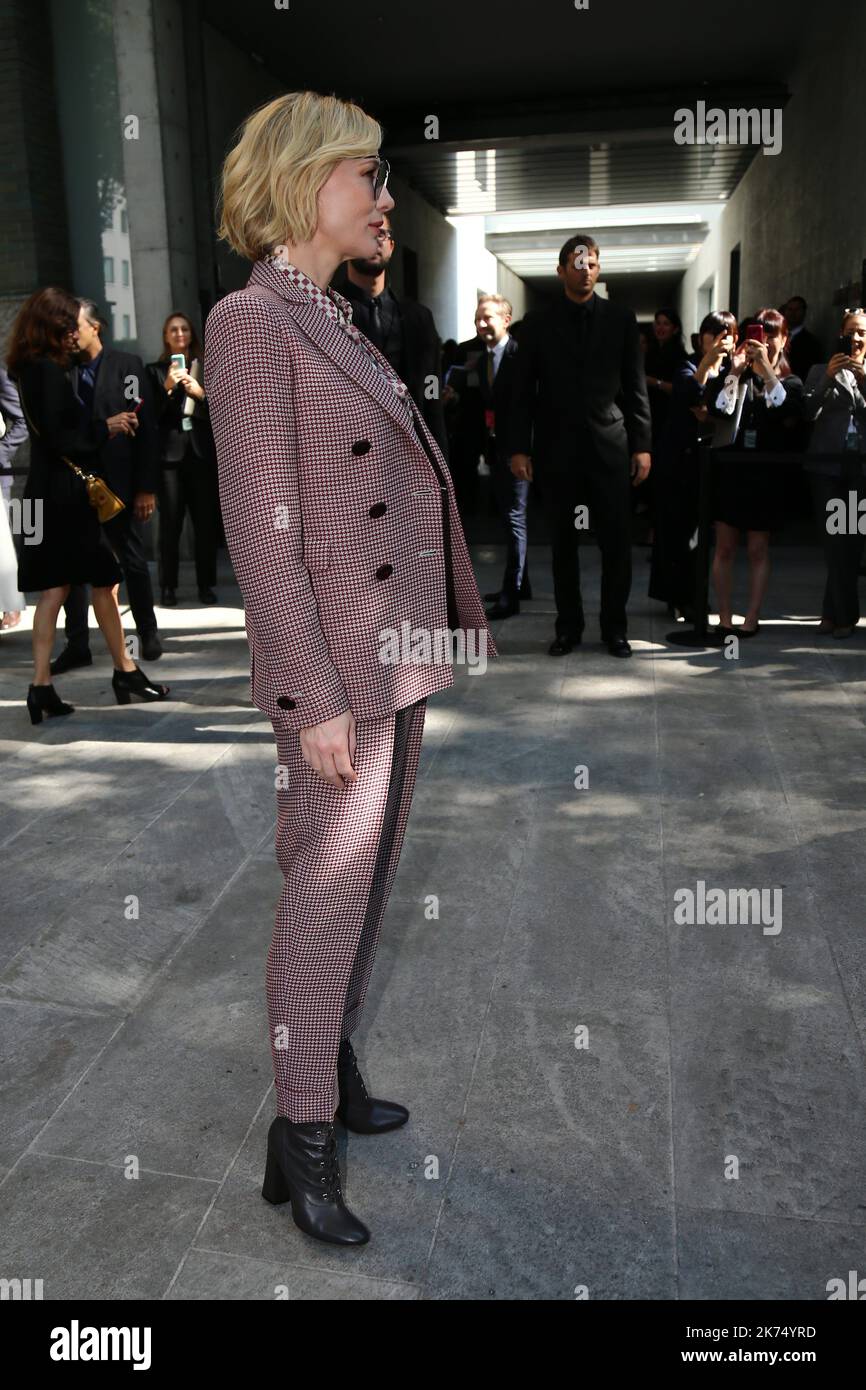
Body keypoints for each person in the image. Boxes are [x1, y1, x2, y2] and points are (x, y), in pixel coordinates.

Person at [205, 90, 495, 1248]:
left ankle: (327, 1065)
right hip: (336, 669)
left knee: (365, 891)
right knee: (321, 901)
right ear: (302, 180)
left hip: (398, 652)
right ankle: (302, 1137)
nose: (384, 199)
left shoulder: (332, 313)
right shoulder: (249, 320)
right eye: (367, 176)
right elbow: (260, 532)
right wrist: (307, 696)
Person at [5, 287, 169, 722]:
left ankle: (58, 683)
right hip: (64, 496)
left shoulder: (29, 369)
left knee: (67, 586)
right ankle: (120, 672)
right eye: (66, 325)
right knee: (97, 578)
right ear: (53, 326)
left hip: (50, 493)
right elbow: (64, 440)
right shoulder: (49, 371)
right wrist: (106, 427)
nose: (71, 334)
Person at [506, 232, 652, 657]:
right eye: (576, 261)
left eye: (591, 262)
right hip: (557, 450)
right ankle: (568, 627)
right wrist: (518, 447)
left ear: (598, 269)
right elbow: (521, 392)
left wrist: (643, 444)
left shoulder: (622, 320)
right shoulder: (536, 324)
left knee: (616, 544)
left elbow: (635, 386)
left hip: (610, 447)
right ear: (561, 270)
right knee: (564, 544)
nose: (584, 268)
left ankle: (615, 629)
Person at [51, 298, 163, 674]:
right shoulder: (60, 373)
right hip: (74, 486)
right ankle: (77, 642)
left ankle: (147, 631)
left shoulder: (126, 367)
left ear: (94, 327)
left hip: (119, 484)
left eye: (74, 327)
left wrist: (146, 487)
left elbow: (146, 432)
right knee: (75, 566)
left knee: (131, 559)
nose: (69, 335)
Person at [705, 307, 804, 637]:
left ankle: (751, 616)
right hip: (731, 472)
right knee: (725, 548)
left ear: (784, 339)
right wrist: (734, 373)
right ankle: (723, 616)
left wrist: (767, 372)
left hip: (765, 474)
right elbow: (719, 411)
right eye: (758, 336)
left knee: (758, 549)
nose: (764, 342)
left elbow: (789, 409)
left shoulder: (789, 381)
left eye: (772, 335)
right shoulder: (738, 374)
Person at [648, 311, 736, 621]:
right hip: (677, 461)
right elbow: (685, 393)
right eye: (714, 333)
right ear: (702, 337)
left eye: (727, 334)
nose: (719, 340)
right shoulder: (686, 364)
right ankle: (676, 596)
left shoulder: (732, 370)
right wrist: (706, 363)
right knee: (675, 531)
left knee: (701, 537)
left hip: (710, 464)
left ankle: (695, 595)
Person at [337, 211, 448, 456]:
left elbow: (431, 387)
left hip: (407, 451)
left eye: (382, 234)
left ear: (391, 245)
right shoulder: (326, 310)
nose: (375, 239)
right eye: (366, 232)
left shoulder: (419, 318)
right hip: (348, 455)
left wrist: (439, 459)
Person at [447, 295, 529, 621]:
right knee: (508, 518)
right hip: (495, 450)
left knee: (515, 519)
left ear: (506, 319)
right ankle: (521, 584)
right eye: (477, 318)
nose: (481, 324)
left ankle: (512, 594)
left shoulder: (520, 355)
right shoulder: (480, 359)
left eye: (488, 318)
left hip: (519, 450)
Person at [146, 314, 219, 606]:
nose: (179, 334)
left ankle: (206, 585)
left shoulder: (206, 368)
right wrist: (167, 386)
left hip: (200, 454)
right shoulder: (153, 371)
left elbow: (223, 409)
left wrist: (199, 392)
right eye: (173, 330)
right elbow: (148, 414)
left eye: (184, 329)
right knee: (171, 524)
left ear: (191, 334)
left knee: (204, 524)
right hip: (170, 457)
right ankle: (168, 587)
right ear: (166, 335)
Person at [802, 308, 866, 637]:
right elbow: (807, 411)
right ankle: (842, 615)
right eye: (850, 332)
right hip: (826, 469)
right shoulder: (819, 370)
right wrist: (828, 376)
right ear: (840, 334)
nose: (855, 339)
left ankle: (836, 615)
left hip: (859, 470)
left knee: (850, 543)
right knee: (832, 543)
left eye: (862, 334)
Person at [781, 296, 824, 381]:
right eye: (790, 309)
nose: (793, 313)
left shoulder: (811, 342)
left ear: (804, 312)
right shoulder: (778, 337)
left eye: (797, 310)